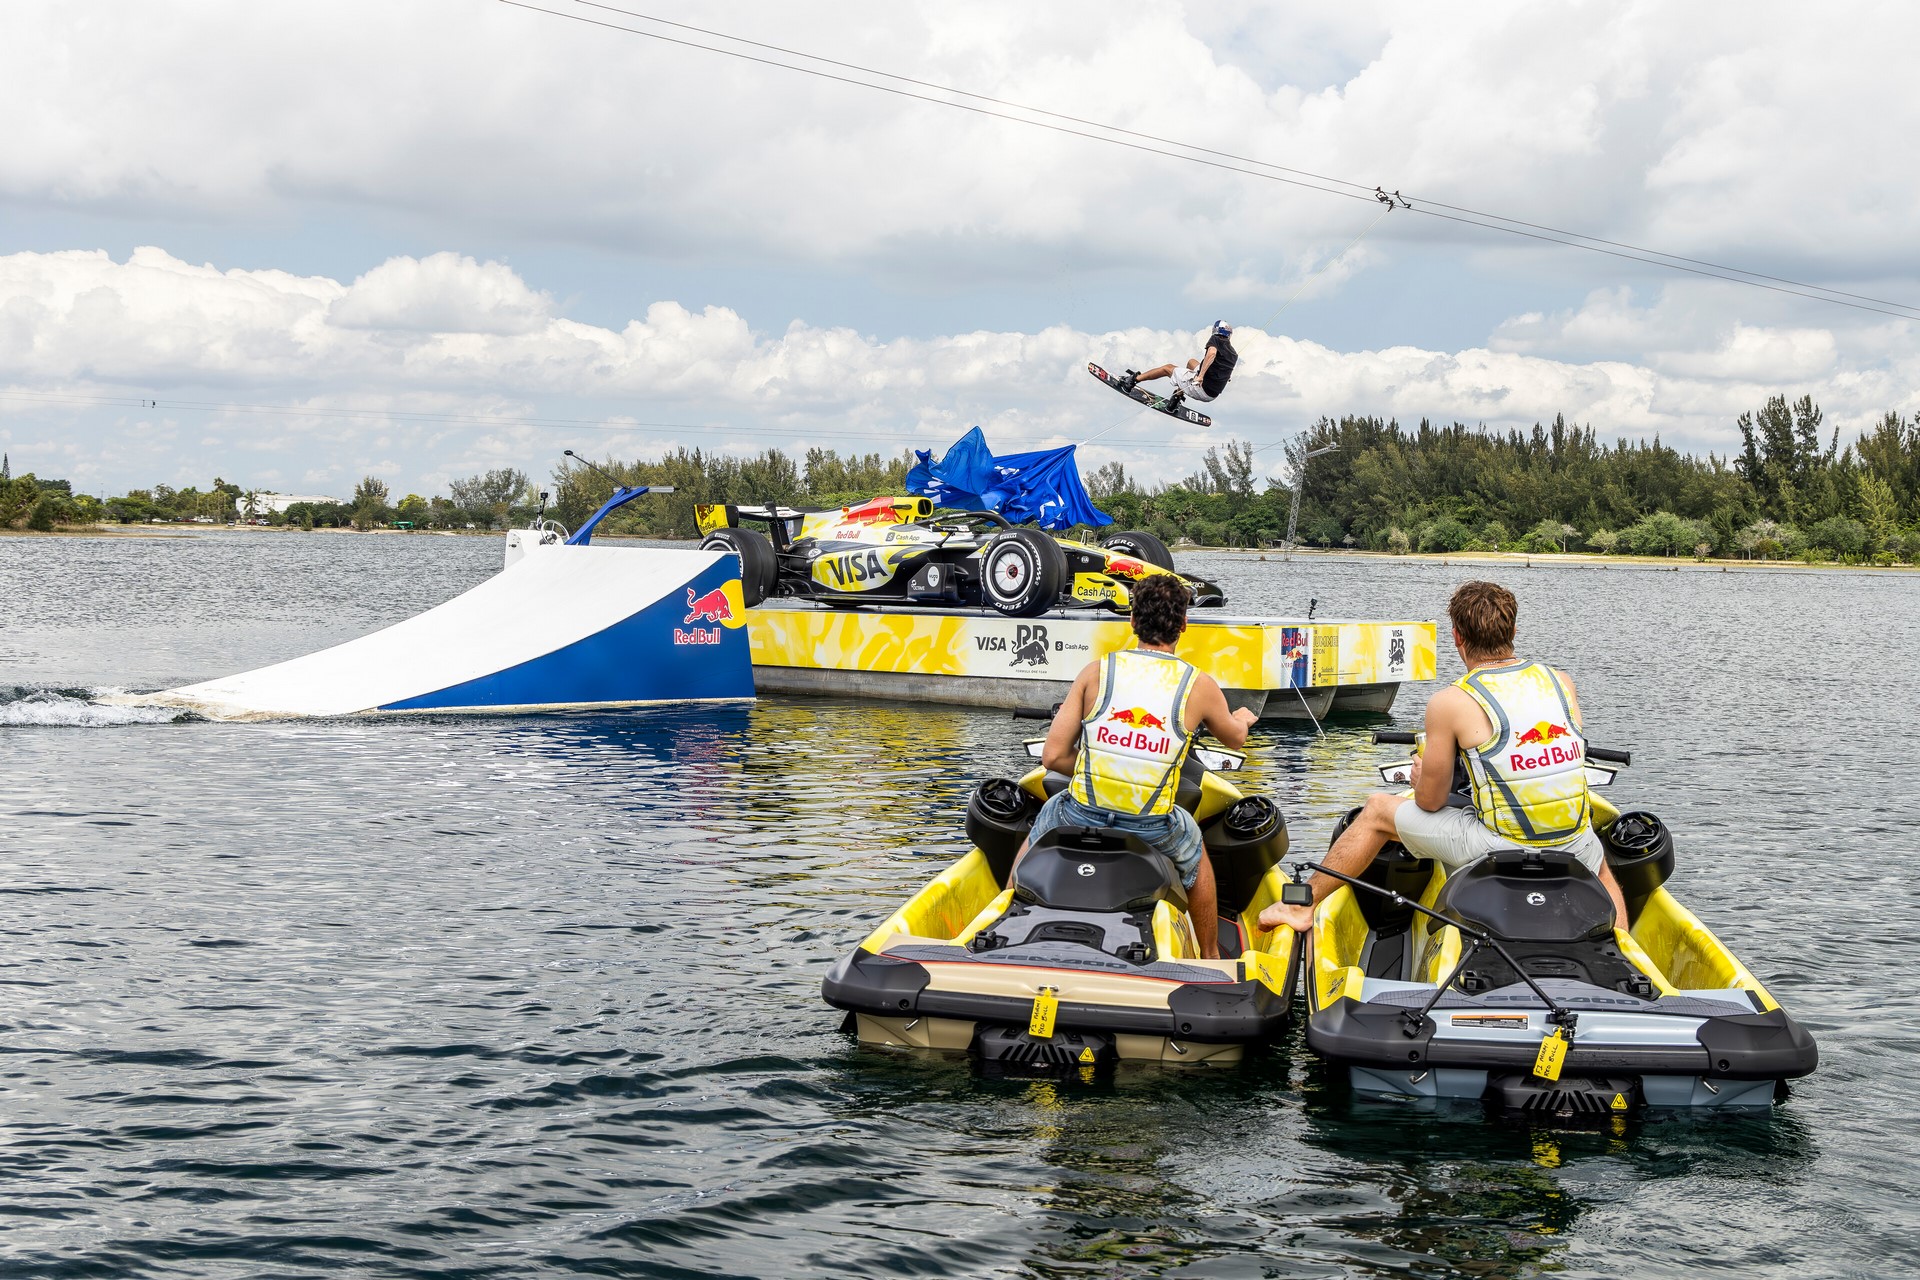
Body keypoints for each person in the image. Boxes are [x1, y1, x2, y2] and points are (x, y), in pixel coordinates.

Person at [1259, 580, 1630, 933]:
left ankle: (1300, 907)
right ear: (1513, 631)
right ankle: (1627, 948)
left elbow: (1431, 802)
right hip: (1573, 842)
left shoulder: (1451, 701)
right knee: (1598, 860)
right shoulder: (1561, 682)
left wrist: (1420, 778)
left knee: (1376, 811)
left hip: (1501, 846)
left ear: (1457, 637)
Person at [1023, 574, 1259, 958]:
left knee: (1043, 820)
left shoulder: (1096, 672)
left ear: (1132, 620)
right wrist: (1243, 718)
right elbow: (1234, 739)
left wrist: (1097, 770)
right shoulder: (1198, 685)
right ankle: (1211, 956)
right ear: (1184, 624)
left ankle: (1002, 915)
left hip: (1081, 811)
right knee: (1197, 856)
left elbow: (1052, 757)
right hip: (1150, 824)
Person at [1118, 321, 1238, 411]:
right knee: (1191, 362)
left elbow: (1211, 353)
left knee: (1167, 368)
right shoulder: (1233, 353)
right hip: (1212, 394)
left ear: (1215, 331)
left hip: (1201, 388)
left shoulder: (1216, 339)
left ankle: (1132, 381)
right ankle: (1178, 395)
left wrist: (1201, 375)